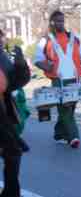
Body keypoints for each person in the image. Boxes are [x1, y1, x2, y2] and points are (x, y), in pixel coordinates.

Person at [34, 10, 81, 148]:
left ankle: (59, 134)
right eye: (57, 21)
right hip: (58, 80)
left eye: (62, 20)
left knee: (70, 108)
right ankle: (74, 137)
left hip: (75, 78)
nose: (60, 23)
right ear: (52, 22)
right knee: (65, 108)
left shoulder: (74, 37)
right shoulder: (45, 40)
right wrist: (47, 67)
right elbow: (38, 60)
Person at [0, 29, 31, 197]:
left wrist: (21, 65)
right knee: (12, 151)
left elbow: (14, 82)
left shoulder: (2, 55)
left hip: (3, 111)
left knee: (12, 151)